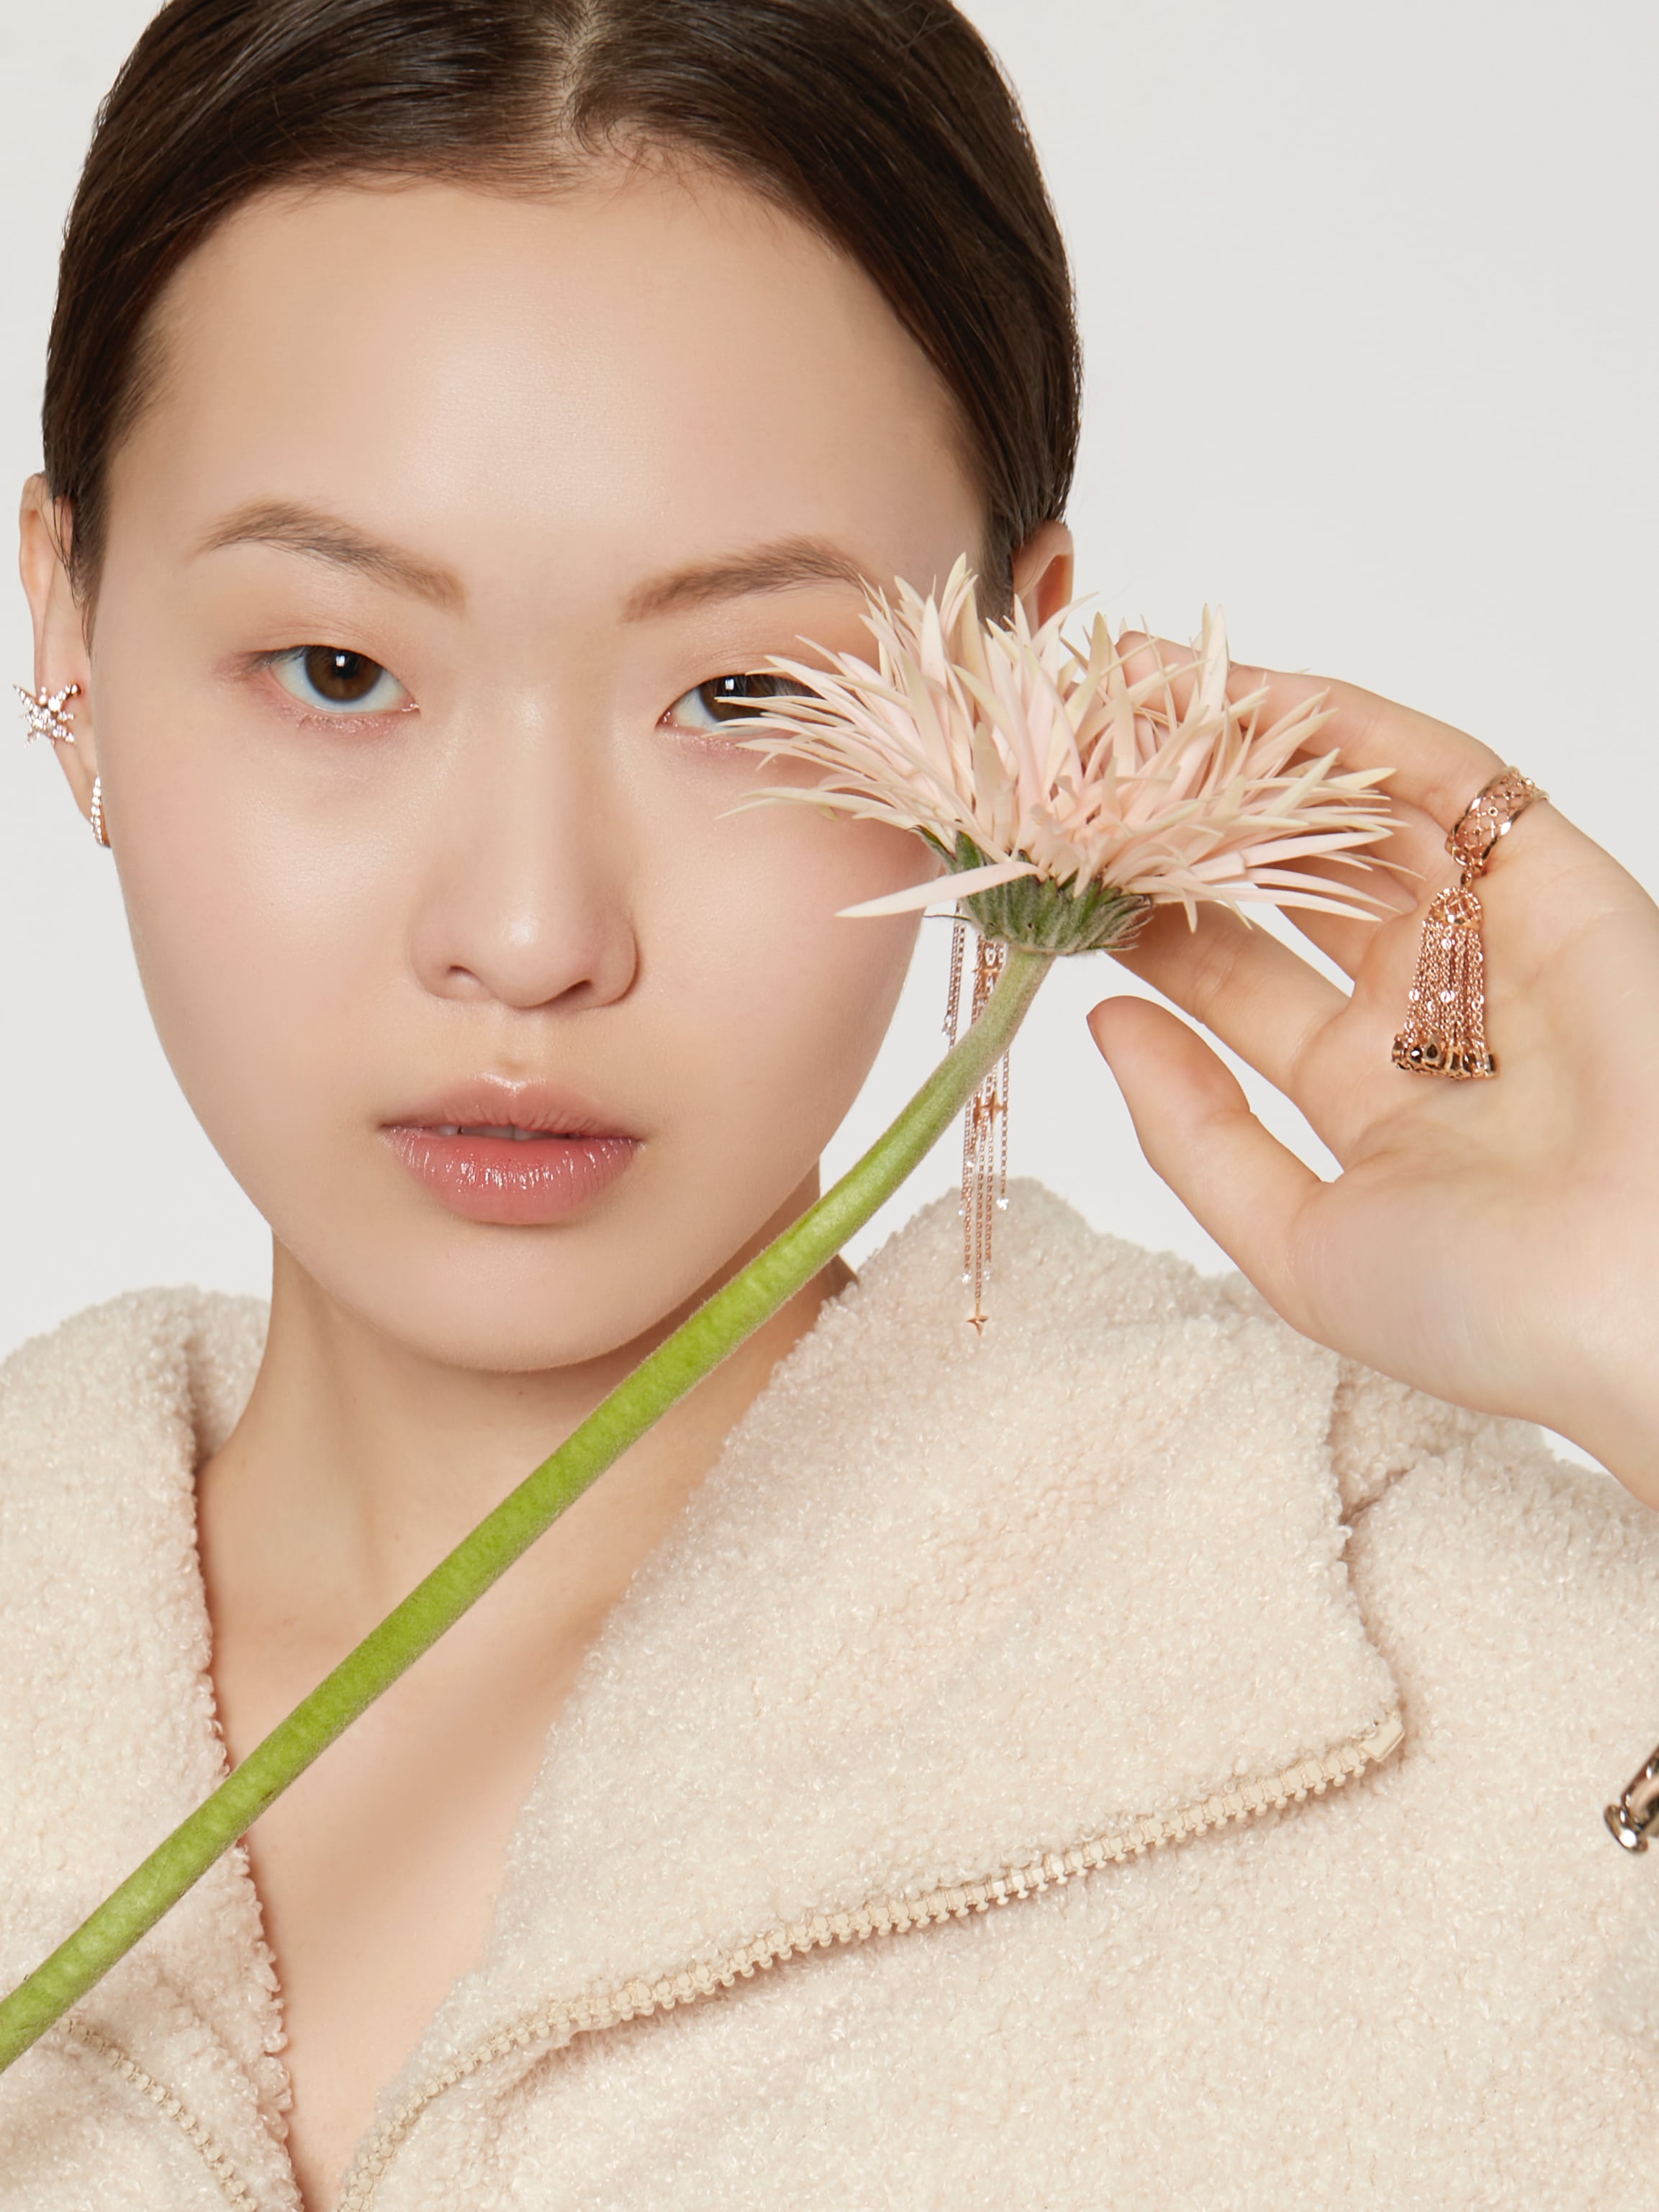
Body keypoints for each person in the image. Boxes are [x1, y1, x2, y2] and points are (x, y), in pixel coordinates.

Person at [4, 1, 1658, 2205]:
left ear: (1017, 671)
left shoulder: (1490, 1704)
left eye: (745, 693)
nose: (528, 930)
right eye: (340, 669)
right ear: (69, 627)